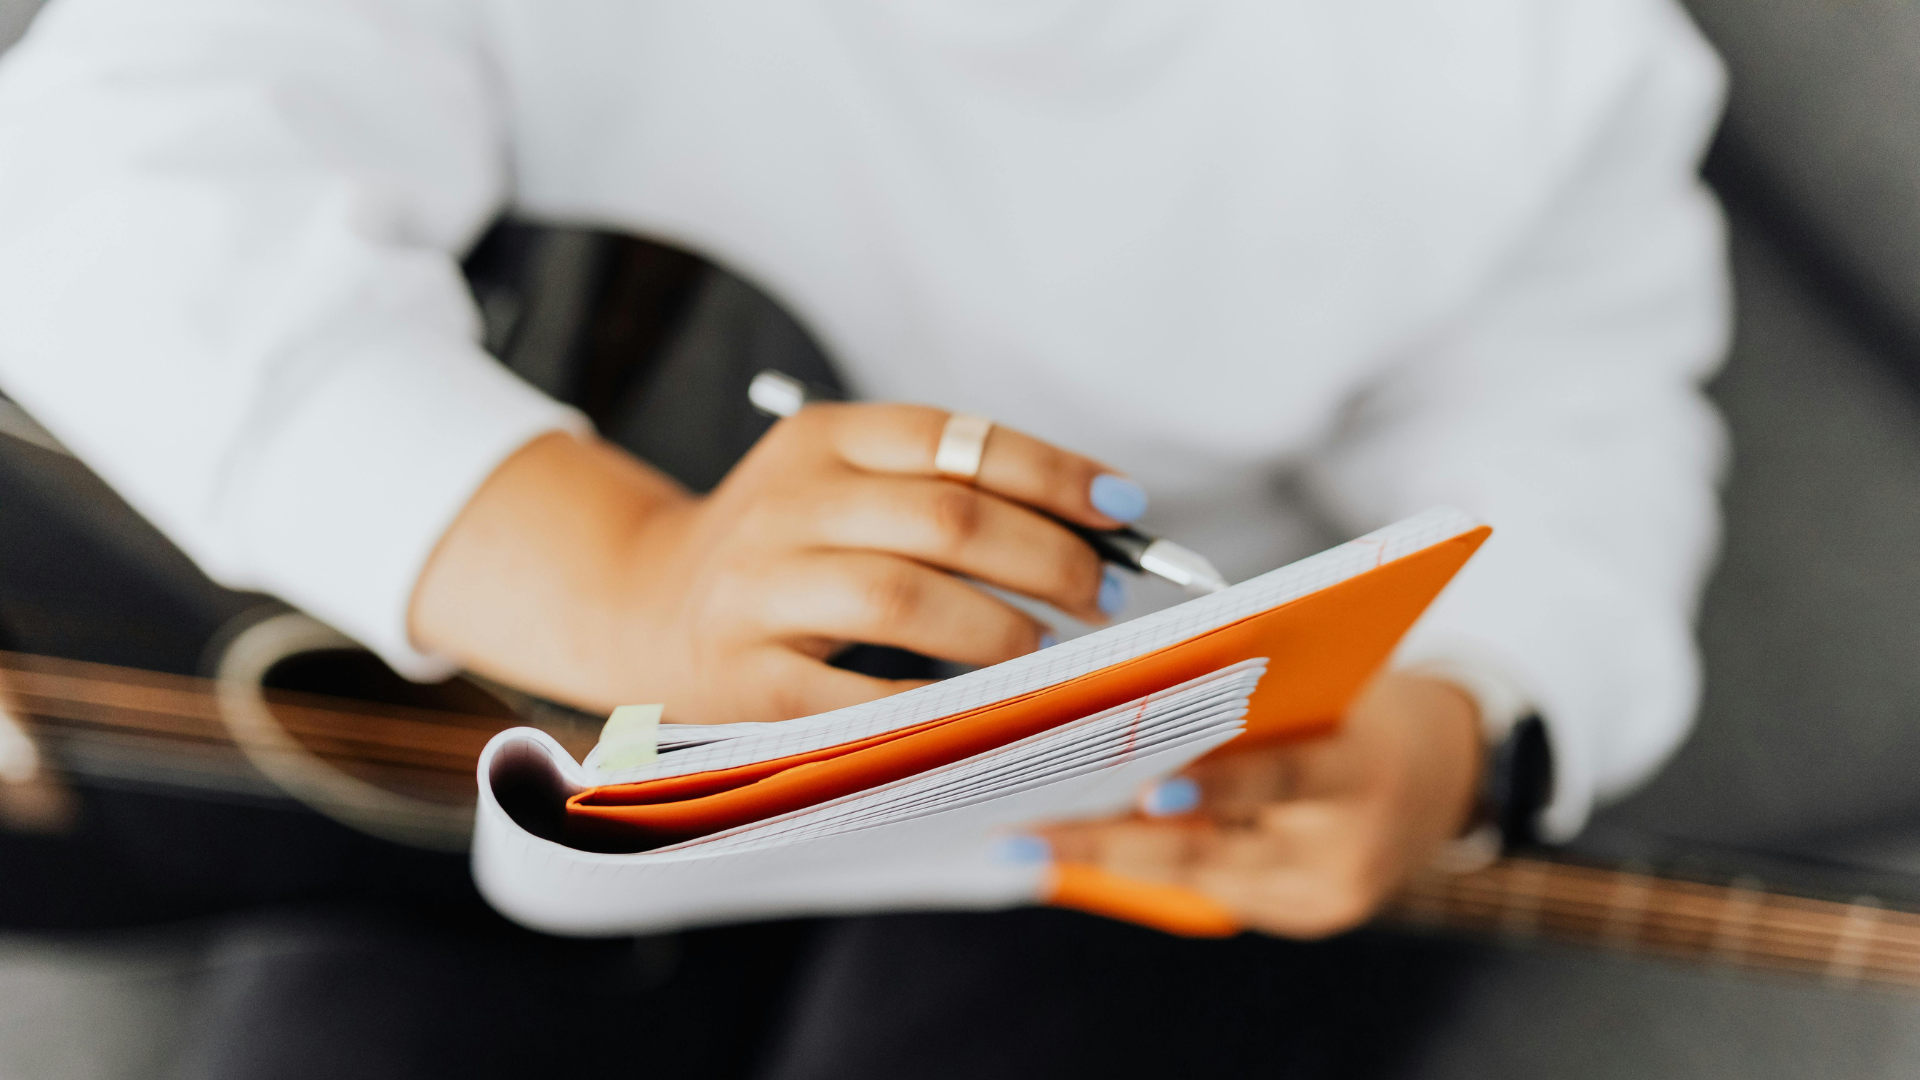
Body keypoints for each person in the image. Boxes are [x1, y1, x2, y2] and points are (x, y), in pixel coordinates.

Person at [0, 0, 1728, 1074]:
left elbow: (1585, 463)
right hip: (526, 736)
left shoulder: (1541, 52)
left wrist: (1464, 718)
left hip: (1111, 806)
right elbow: (105, 194)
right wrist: (624, 576)